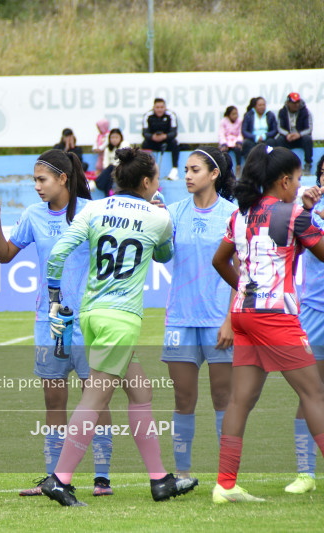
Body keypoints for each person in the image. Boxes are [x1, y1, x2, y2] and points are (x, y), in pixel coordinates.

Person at [42, 147, 199, 507]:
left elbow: (59, 252)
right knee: (95, 398)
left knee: (141, 392)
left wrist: (54, 299)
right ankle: (60, 480)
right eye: (156, 178)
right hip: (121, 318)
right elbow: (164, 256)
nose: (157, 183)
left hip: (92, 314)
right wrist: (162, 217)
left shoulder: (94, 208)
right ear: (146, 182)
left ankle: (160, 480)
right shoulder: (158, 217)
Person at [0, 149, 115, 498]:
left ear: (63, 179)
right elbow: (5, 255)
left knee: (96, 399)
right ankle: (53, 477)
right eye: (35, 180)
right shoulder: (32, 215)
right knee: (54, 402)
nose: (37, 186)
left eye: (42, 179)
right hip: (48, 321)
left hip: (90, 320)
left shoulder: (93, 211)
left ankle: (102, 478)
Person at [211, 145, 324, 503]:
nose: (301, 185)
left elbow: (219, 260)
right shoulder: (294, 215)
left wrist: (247, 290)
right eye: (298, 179)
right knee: (314, 394)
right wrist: (309, 215)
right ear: (285, 180)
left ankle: (225, 485)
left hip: (244, 314)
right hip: (275, 316)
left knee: (240, 400)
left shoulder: (241, 214)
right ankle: (226, 485)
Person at [161, 147, 237, 480]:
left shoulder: (233, 215)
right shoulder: (173, 212)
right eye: (186, 171)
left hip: (219, 320)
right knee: (183, 399)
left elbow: (241, 273)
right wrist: (157, 226)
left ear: (214, 173)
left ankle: (227, 478)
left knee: (223, 398)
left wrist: (230, 320)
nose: (188, 176)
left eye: (195, 170)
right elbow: (161, 256)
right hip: (180, 319)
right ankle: (182, 474)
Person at [284, 153, 324, 495]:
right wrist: (308, 211)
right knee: (310, 392)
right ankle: (305, 472)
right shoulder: (308, 213)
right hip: (315, 312)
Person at [142, 98, 181, 180]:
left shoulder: (171, 115)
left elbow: (174, 133)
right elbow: (145, 133)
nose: (159, 110)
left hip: (166, 140)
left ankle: (174, 169)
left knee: (175, 143)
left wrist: (164, 136)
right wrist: (152, 137)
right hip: (153, 141)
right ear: (153, 107)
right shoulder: (148, 116)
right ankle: (146, 170)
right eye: (157, 107)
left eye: (161, 107)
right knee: (144, 144)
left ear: (165, 107)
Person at [275, 92, 314, 174]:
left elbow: (309, 129)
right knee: (279, 140)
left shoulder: (306, 112)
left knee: (308, 139)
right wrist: (287, 134)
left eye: (298, 102)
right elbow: (279, 127)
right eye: (294, 103)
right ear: (288, 103)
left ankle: (308, 164)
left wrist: (299, 134)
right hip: (288, 137)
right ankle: (281, 166)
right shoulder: (282, 112)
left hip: (300, 137)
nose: (296, 105)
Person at [96, 128, 129, 197]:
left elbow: (123, 160)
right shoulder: (107, 149)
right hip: (111, 171)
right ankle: (108, 194)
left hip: (123, 170)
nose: (114, 140)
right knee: (109, 174)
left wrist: (112, 167)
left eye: (116, 137)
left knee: (111, 168)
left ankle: (97, 183)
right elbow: (105, 163)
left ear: (121, 137)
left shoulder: (124, 145)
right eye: (112, 137)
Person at [218, 106, 244, 174]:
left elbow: (240, 133)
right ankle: (224, 168)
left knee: (238, 150)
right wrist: (223, 143)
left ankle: (238, 166)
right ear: (229, 115)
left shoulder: (240, 121)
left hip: (236, 142)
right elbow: (221, 134)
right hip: (226, 142)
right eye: (233, 114)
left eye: (236, 114)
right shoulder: (223, 121)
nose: (235, 116)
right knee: (224, 152)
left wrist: (239, 141)